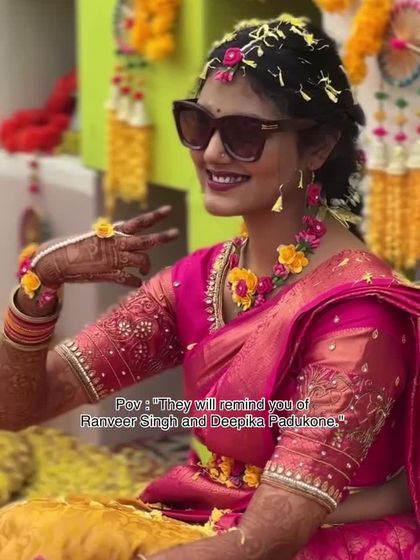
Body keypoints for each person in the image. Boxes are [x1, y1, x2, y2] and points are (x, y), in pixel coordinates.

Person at [0, 13, 419, 560]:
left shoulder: (359, 315)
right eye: (198, 124)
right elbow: (20, 407)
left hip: (315, 541)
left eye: (245, 134)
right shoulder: (201, 279)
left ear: (317, 147)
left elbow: (266, 541)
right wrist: (39, 286)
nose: (213, 153)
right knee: (24, 527)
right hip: (212, 521)